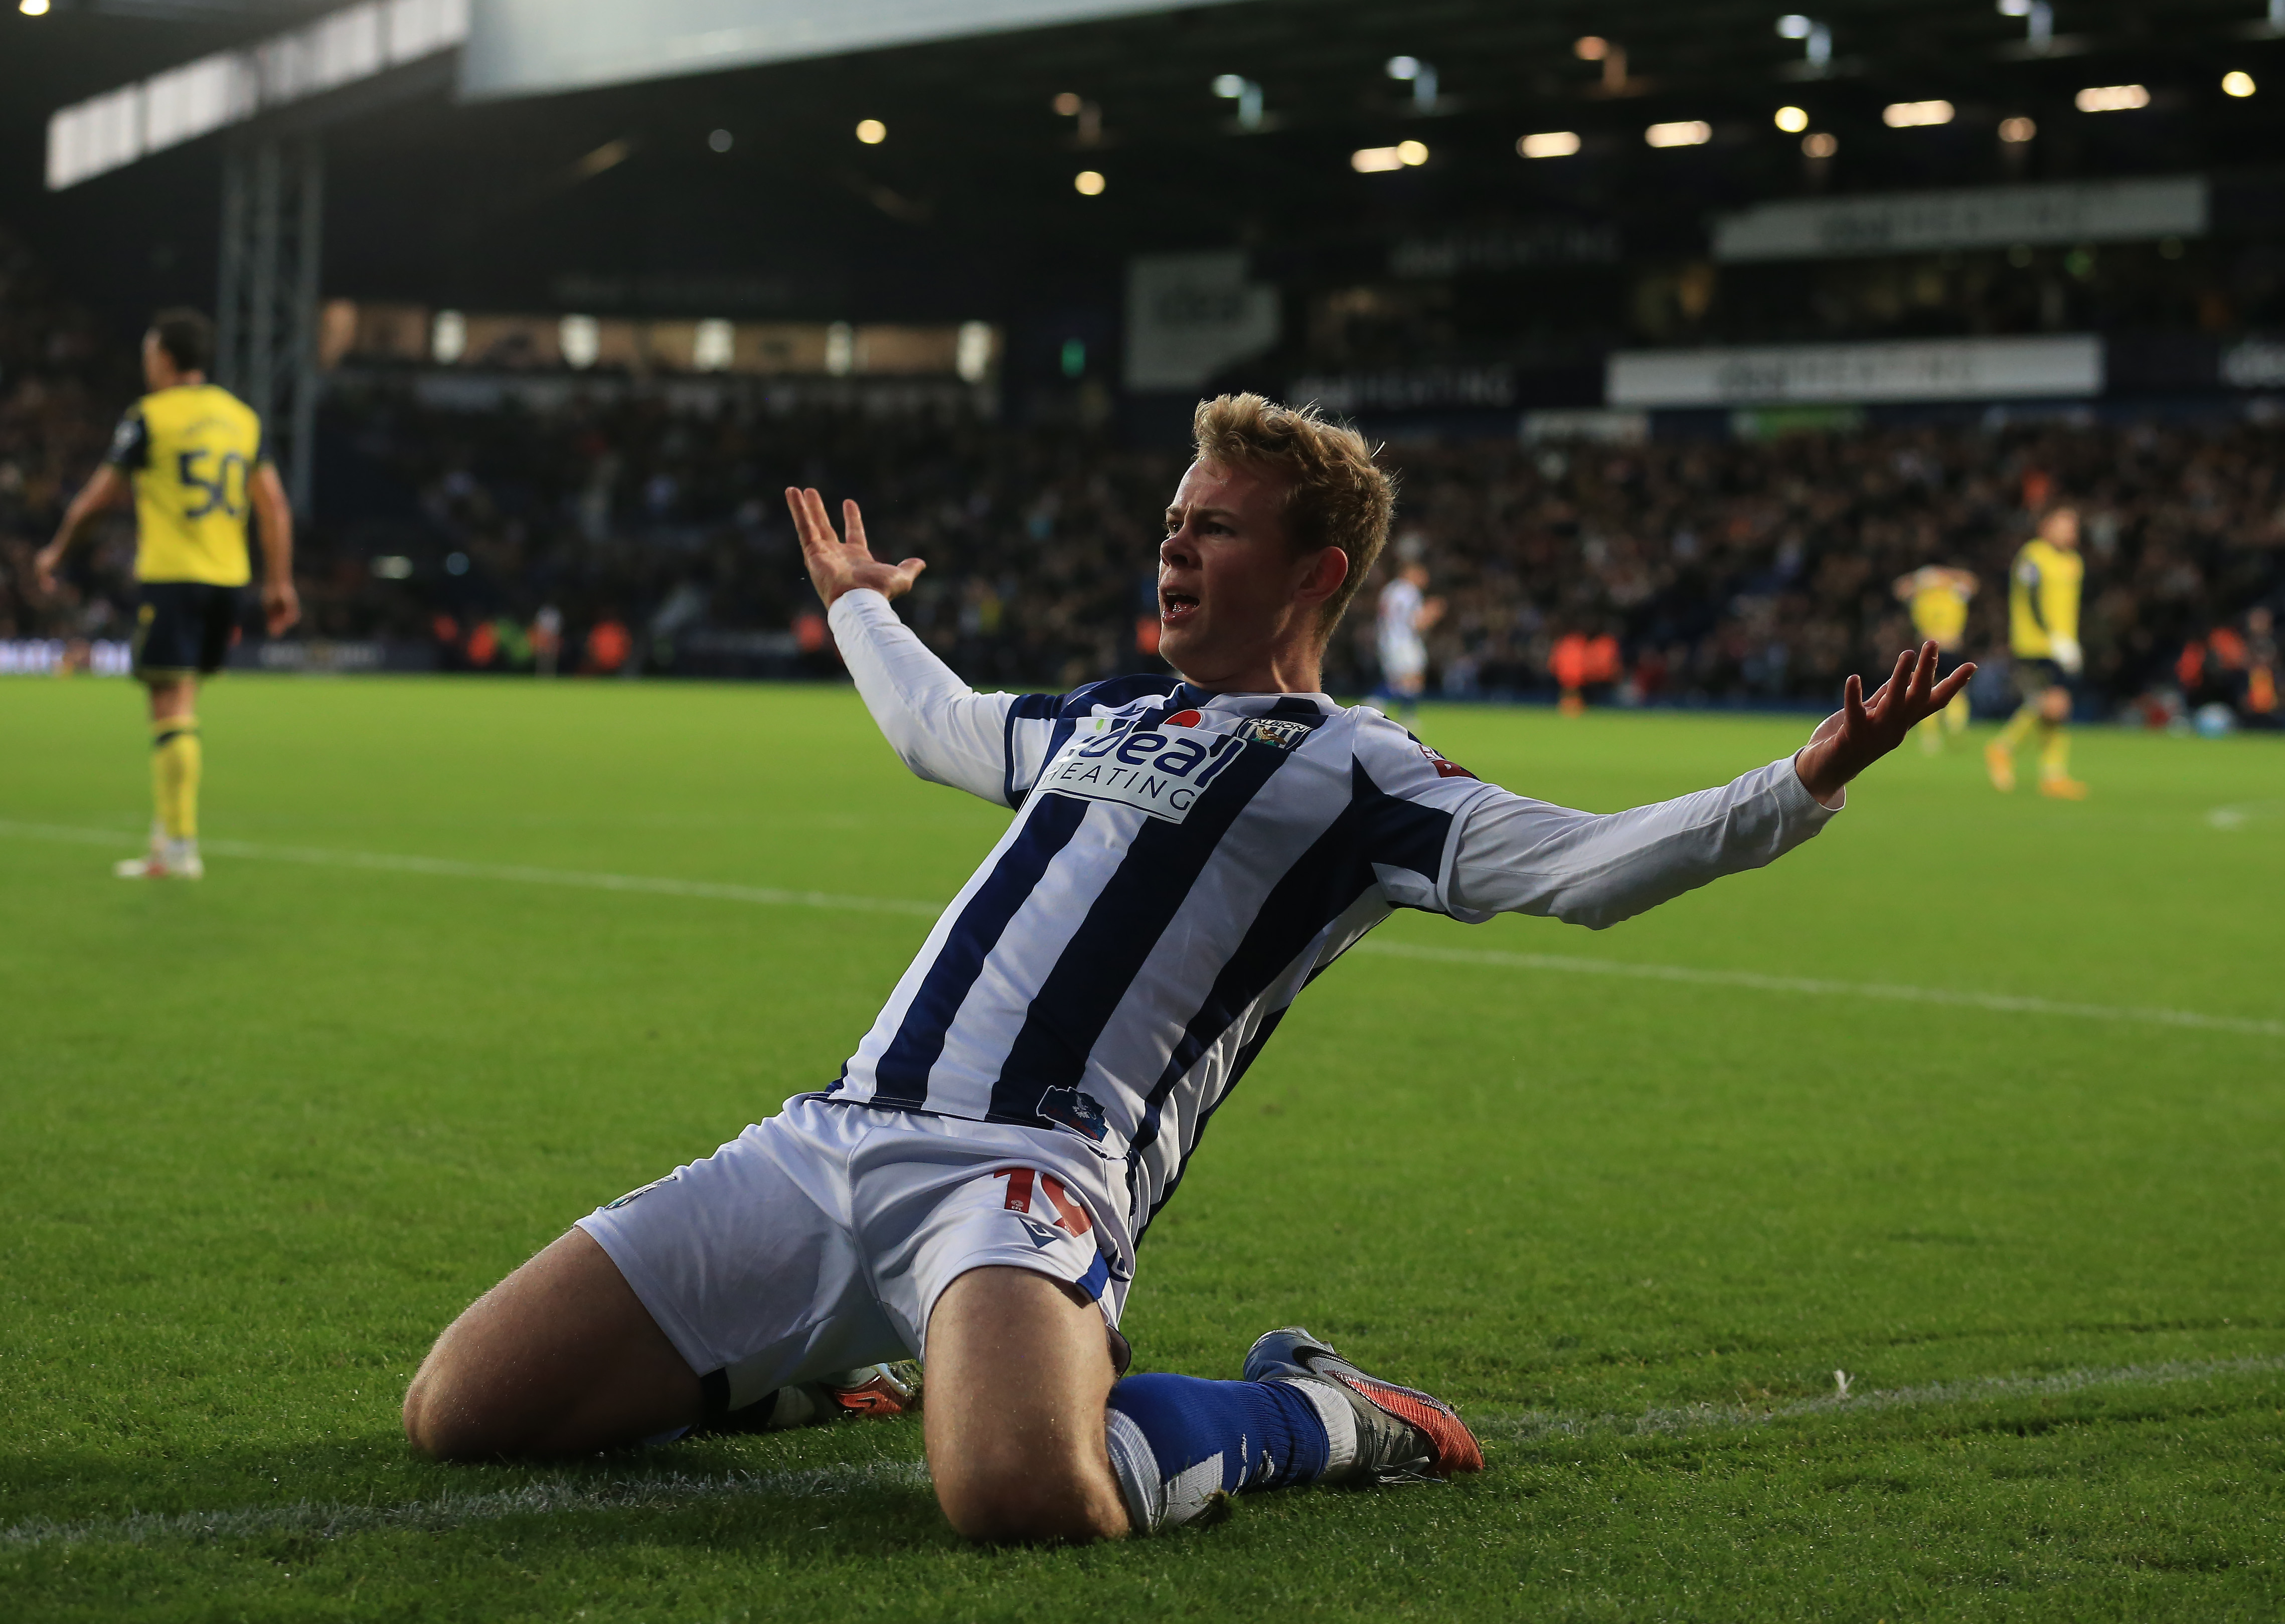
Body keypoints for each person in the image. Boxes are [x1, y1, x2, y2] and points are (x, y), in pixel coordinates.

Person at [399, 394, 1972, 1544]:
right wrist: (863, 615)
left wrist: (1804, 777)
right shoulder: (1099, 717)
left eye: (1213, 526)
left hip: (1026, 1182)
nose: (1175, 542)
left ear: (1316, 573)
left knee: (1027, 1500)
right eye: (1173, 518)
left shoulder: (1363, 776)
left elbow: (1587, 869)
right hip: (830, 1140)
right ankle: (813, 1370)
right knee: (460, 1412)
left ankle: (1323, 1414)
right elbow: (935, 728)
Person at [33, 308, 298, 878]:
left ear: (166, 358)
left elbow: (98, 499)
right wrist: (279, 581)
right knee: (186, 704)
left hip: (175, 576)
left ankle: (178, 847)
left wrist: (56, 551)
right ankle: (169, 837)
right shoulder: (241, 419)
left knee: (168, 706)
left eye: (150, 354)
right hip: (228, 578)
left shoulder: (150, 417)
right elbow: (273, 505)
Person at [1985, 505, 2087, 799]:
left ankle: (2052, 775)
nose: (2070, 532)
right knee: (2053, 704)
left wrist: (2069, 641)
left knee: (2056, 708)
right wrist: (2053, 637)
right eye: (2063, 525)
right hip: (2034, 643)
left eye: (2073, 526)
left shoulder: (2073, 562)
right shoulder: (2033, 557)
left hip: (2063, 644)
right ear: (2046, 527)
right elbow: (2032, 599)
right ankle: (2004, 749)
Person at [1891, 564, 1979, 753]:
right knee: (1938, 690)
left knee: (1938, 689)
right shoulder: (1929, 593)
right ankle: (1943, 732)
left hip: (1941, 648)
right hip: (1935, 647)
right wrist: (1923, 578)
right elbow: (1899, 589)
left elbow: (1972, 582)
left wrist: (1941, 576)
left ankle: (1946, 732)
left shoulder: (1951, 591)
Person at [1375, 549, 1443, 721]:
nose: (1424, 577)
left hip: (1388, 638)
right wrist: (1433, 612)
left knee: (1403, 679)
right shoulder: (1409, 591)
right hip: (1403, 640)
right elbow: (1417, 623)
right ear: (1410, 573)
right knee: (1408, 679)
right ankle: (1379, 704)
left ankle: (1398, 711)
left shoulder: (1390, 590)